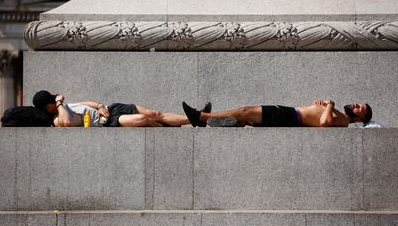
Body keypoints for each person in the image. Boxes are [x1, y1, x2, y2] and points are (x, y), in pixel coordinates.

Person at [32, 90, 210, 127]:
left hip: (111, 109)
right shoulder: (57, 119)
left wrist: (100, 106)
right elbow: (69, 122)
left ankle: (195, 118)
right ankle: (196, 118)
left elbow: (90, 104)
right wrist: (59, 103)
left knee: (154, 113)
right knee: (143, 120)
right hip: (108, 123)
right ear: (48, 106)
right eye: (52, 100)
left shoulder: (67, 106)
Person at [182, 100, 372, 127]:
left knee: (246, 112)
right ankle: (210, 118)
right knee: (245, 115)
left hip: (291, 118)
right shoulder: (341, 116)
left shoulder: (345, 123)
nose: (356, 105)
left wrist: (329, 105)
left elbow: (324, 123)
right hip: (291, 113)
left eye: (360, 108)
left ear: (360, 118)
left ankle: (202, 117)